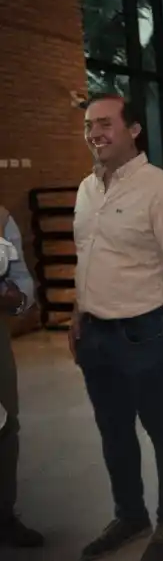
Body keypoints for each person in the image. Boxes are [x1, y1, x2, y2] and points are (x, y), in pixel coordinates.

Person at [71, 94, 163, 561]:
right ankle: (130, 514)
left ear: (133, 130)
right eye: (90, 124)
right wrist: (77, 316)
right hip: (96, 335)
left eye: (106, 123)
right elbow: (87, 259)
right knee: (113, 432)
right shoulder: (86, 189)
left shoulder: (162, 191)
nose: (96, 133)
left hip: (149, 335)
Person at [0, 206, 44, 549]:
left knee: (4, 425)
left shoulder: (1, 218)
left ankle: (4, 516)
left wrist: (16, 299)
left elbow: (21, 278)